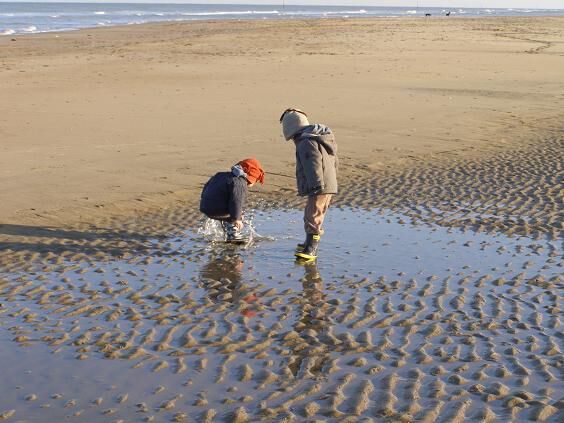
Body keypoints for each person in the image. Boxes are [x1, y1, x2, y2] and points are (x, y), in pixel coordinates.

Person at [279, 108, 338, 260]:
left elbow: (313, 163)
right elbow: (333, 160)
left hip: (320, 184)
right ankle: (308, 242)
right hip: (327, 182)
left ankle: (311, 248)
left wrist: (316, 184)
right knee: (314, 212)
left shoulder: (306, 142)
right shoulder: (319, 138)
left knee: (313, 215)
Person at [200, 158, 265, 241]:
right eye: (256, 180)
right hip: (218, 209)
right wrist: (237, 219)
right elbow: (236, 201)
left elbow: (206, 187)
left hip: (205, 206)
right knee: (238, 214)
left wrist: (204, 200)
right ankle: (233, 235)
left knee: (231, 213)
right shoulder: (240, 182)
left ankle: (227, 231)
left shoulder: (220, 175)